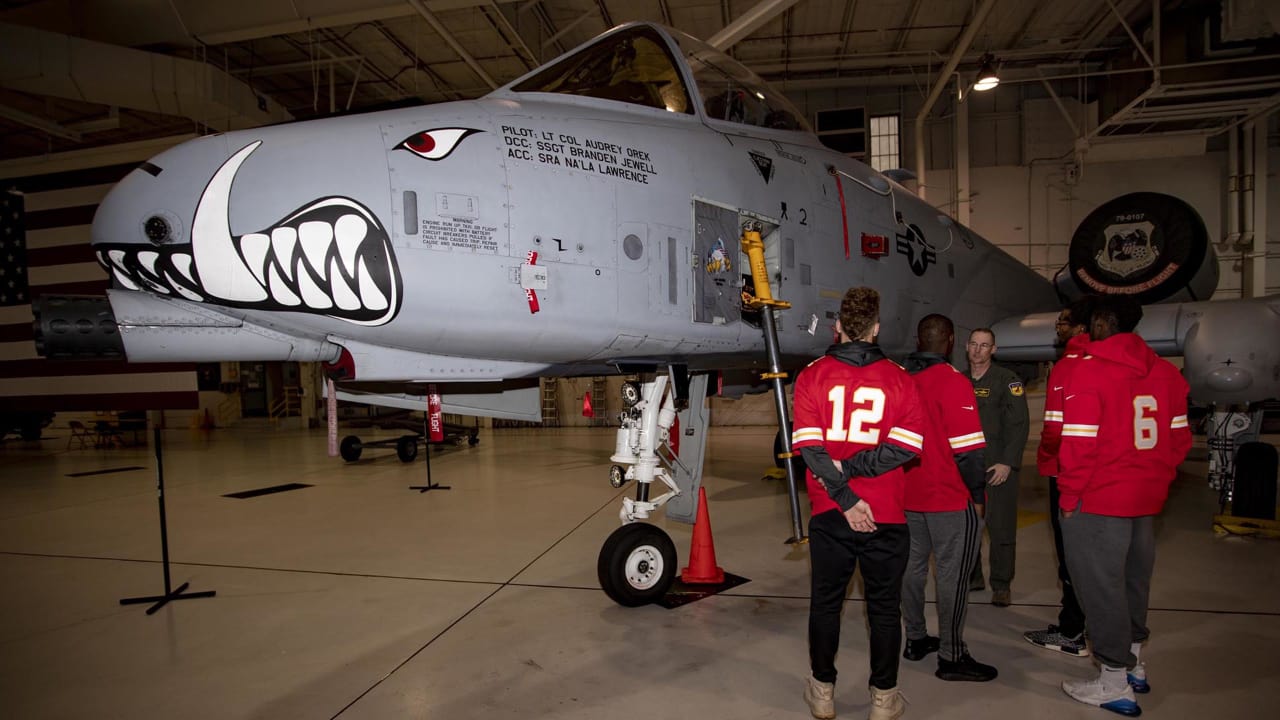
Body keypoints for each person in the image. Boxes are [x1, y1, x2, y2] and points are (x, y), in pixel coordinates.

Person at [792, 287, 925, 720]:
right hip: (886, 514)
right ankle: (884, 699)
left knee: (826, 604)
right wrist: (861, 472)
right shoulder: (901, 379)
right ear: (876, 328)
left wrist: (844, 487)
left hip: (831, 513)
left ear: (838, 328)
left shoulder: (811, 376)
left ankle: (823, 692)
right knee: (885, 610)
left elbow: (810, 451)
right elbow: (906, 448)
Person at [1057, 296, 1192, 715]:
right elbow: (1179, 441)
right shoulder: (1169, 374)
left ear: (1099, 323)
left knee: (1101, 589)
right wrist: (1153, 479)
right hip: (1143, 500)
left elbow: (1077, 446)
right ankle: (1135, 665)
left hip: (1098, 499)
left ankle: (1114, 681)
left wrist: (1069, 496)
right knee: (1135, 581)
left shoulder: (1086, 370)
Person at [900, 314, 998, 683]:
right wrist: (977, 495)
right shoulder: (955, 383)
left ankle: (915, 638)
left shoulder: (904, 381)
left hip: (909, 495)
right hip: (949, 498)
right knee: (952, 576)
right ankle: (952, 655)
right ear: (952, 341)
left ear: (918, 339)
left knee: (911, 570)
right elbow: (969, 452)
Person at [1024, 296, 1096, 657]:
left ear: (1083, 328)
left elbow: (1054, 432)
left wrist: (1047, 463)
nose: (1058, 328)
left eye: (1065, 322)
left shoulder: (1068, 368)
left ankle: (1073, 632)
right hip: (1103, 477)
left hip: (1069, 473)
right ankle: (1093, 626)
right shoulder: (1115, 364)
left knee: (1072, 556)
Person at [965, 327, 1029, 607]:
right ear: (967, 347)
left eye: (985, 345)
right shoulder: (958, 380)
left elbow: (1019, 424)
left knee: (1001, 529)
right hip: (966, 467)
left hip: (997, 468)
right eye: (974, 344)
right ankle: (973, 576)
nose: (978, 350)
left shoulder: (1008, 381)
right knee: (968, 527)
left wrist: (1008, 462)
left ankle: (1001, 584)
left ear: (994, 349)